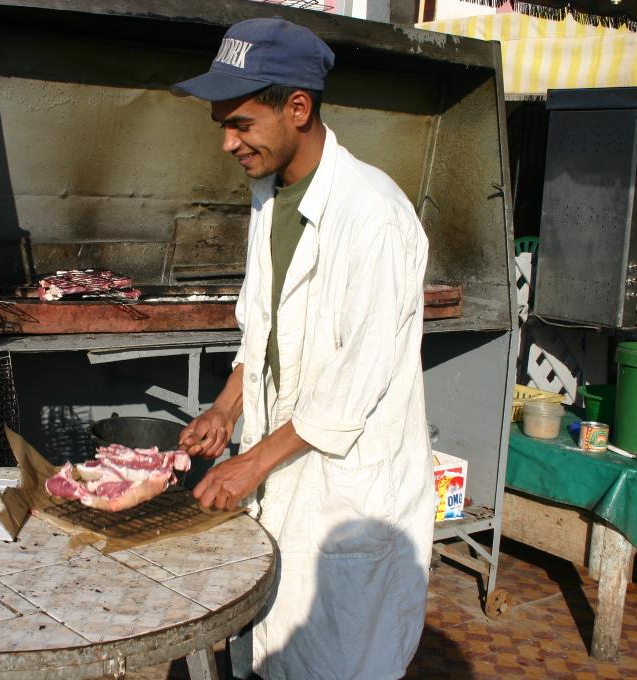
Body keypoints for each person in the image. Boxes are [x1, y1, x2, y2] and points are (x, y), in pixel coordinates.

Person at [172, 18, 434, 680]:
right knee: (274, 648)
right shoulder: (271, 196)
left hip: (345, 488)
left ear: (297, 107)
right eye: (222, 127)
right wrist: (226, 409)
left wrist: (251, 463)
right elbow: (260, 329)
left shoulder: (373, 217)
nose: (228, 143)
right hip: (283, 468)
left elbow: (355, 384)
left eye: (241, 124)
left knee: (339, 657)